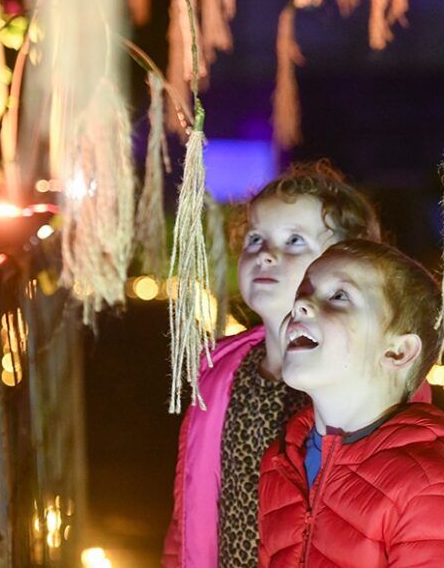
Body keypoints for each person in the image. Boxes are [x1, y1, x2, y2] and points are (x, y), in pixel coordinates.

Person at [162, 162, 383, 567]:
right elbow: (190, 503)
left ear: (347, 265)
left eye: (295, 241)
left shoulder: (369, 381)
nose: (266, 254)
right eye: (255, 238)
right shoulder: (220, 372)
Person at [258, 239, 444, 566]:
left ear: (396, 352)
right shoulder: (283, 464)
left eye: (339, 296)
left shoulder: (426, 488)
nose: (300, 305)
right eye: (303, 292)